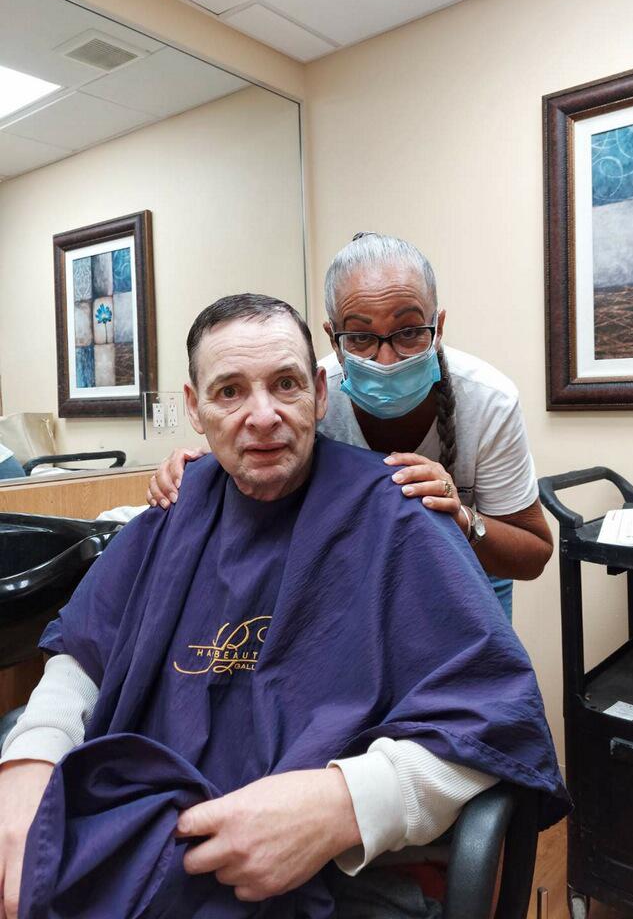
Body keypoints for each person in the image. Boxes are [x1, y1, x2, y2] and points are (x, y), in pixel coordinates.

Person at [0, 294, 568, 919]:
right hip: (136, 836)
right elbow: (86, 651)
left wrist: (342, 804)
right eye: (229, 392)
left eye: (286, 384)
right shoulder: (171, 512)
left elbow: (496, 717)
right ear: (194, 408)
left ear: (319, 394)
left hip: (322, 875)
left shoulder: (400, 515)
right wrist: (31, 756)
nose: (263, 416)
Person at [149, 233, 552, 618]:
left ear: (438, 327)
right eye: (360, 337)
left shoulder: (487, 399)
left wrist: (462, 519)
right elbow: (255, 448)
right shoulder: (304, 396)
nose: (387, 360)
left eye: (410, 332)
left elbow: (533, 553)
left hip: (467, 573)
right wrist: (198, 472)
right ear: (333, 339)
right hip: (353, 584)